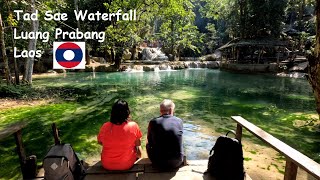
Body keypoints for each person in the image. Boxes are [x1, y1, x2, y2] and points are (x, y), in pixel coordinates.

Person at [97, 99, 142, 170]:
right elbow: (138, 143)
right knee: (138, 144)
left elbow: (100, 142)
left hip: (106, 164)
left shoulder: (105, 126)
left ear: (113, 112)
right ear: (127, 112)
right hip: (127, 165)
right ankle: (139, 157)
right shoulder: (133, 125)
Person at [146, 99, 184, 169]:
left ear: (160, 111)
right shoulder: (179, 121)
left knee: (147, 143)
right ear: (171, 110)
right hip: (177, 162)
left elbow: (149, 141)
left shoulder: (153, 122)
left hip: (157, 163)